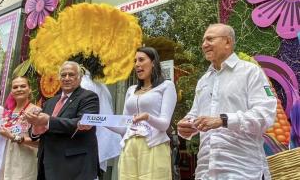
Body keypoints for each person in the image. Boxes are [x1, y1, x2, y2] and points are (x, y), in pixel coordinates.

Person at [177, 23, 277, 180]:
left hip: (242, 170)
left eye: (210, 39)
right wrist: (187, 125)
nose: (204, 45)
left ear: (228, 42)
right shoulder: (203, 80)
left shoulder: (250, 72)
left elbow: (265, 115)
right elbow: (195, 114)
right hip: (205, 171)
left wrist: (223, 120)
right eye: (203, 41)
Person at [107, 47, 177, 180]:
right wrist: (99, 122)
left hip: (154, 145)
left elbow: (164, 124)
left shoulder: (166, 86)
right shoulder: (131, 90)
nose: (137, 64)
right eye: (135, 61)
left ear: (153, 62)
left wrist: (147, 117)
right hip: (129, 146)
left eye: (141, 60)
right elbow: (124, 126)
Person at [25, 61, 100, 180]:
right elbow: (36, 133)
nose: (67, 78)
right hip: (47, 165)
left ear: (79, 78)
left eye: (71, 75)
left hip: (74, 166)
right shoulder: (50, 102)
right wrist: (36, 126)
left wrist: (48, 121)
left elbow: (84, 122)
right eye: (63, 75)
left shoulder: (89, 97)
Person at [0, 76, 39, 179]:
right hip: (0, 164)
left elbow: (39, 142)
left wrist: (13, 137)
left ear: (30, 89)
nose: (19, 89)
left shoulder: (36, 111)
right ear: (11, 91)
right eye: (15, 87)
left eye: (23, 86)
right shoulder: (7, 113)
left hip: (21, 165)